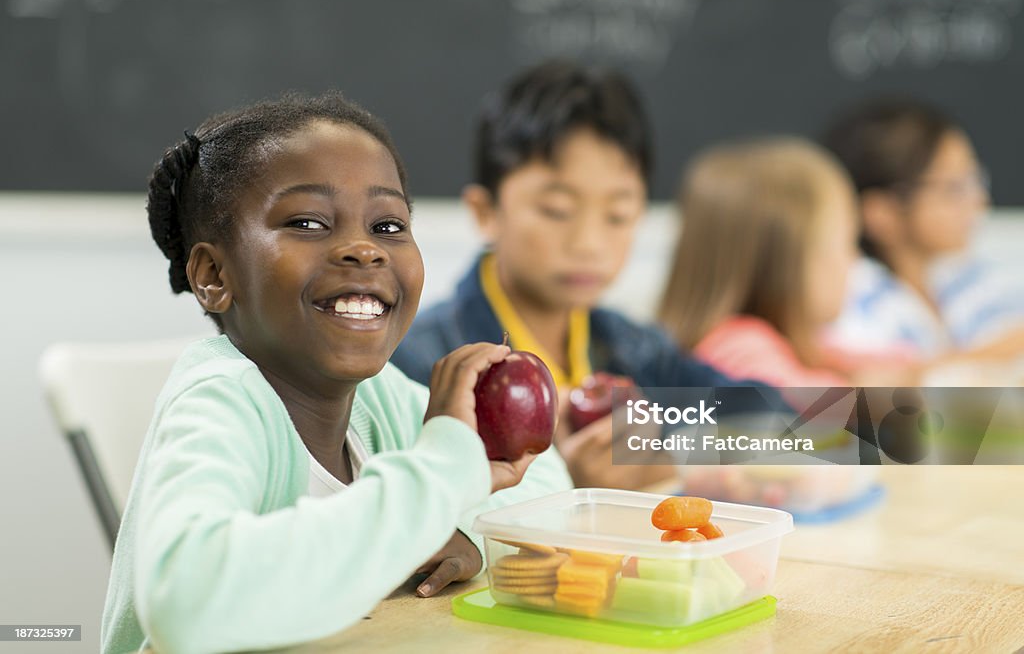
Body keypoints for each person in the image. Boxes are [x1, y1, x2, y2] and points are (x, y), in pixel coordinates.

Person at [100, 93, 572, 654]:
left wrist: (469, 531)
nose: (362, 249)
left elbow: (547, 485)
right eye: (307, 222)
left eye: (388, 224)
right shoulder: (222, 398)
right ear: (213, 275)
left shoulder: (380, 398)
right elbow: (185, 599)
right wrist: (443, 469)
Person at [390, 61, 775, 489]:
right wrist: (558, 483)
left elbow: (839, 431)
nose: (589, 243)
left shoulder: (634, 351)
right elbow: (395, 515)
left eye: (618, 214)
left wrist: (669, 456)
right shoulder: (420, 364)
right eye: (557, 210)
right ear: (485, 212)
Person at [656, 137, 913, 388]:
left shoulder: (794, 345)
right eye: (847, 243)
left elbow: (884, 364)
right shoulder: (738, 346)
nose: (854, 260)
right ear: (792, 262)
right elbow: (815, 414)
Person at [821, 98, 1024, 367]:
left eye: (975, 179)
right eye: (954, 188)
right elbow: (879, 391)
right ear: (881, 213)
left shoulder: (964, 280)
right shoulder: (852, 302)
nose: (979, 201)